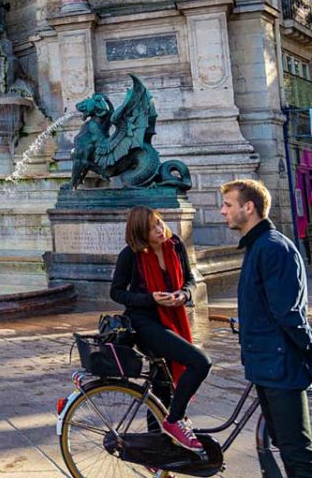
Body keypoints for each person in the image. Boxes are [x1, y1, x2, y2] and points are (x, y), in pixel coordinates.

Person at [221, 179, 312, 477]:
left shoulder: (273, 248)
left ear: (249, 207)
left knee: (296, 452)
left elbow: (289, 313)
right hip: (265, 363)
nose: (223, 211)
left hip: (280, 364)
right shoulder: (257, 247)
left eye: (228, 205)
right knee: (285, 448)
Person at [111, 206, 211, 453]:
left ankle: (154, 452)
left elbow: (190, 279)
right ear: (140, 234)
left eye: (159, 223)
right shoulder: (131, 255)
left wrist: (183, 294)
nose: (159, 229)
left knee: (161, 390)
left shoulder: (175, 245)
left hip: (173, 317)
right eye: (151, 228)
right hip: (145, 323)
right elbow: (116, 292)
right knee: (200, 362)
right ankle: (176, 420)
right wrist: (150, 299)